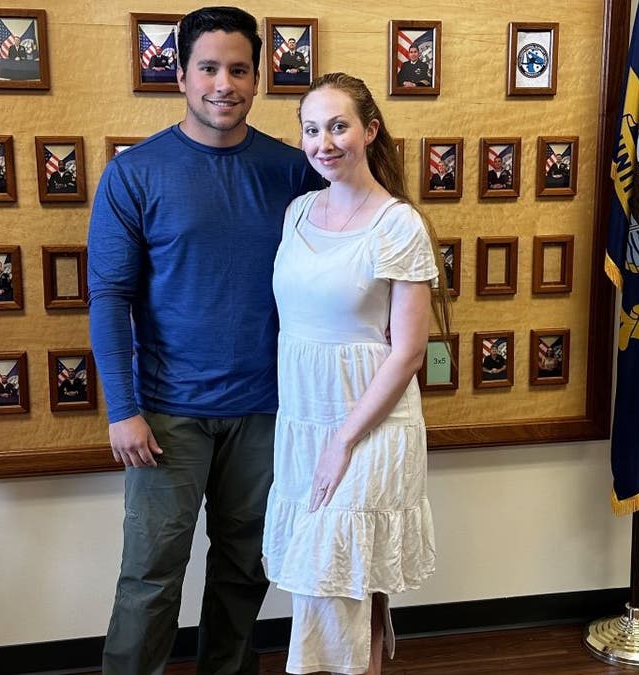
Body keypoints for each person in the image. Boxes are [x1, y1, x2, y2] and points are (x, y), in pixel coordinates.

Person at [87, 7, 324, 675]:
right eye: (209, 68)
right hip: (166, 413)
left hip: (268, 410)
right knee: (150, 574)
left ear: (259, 78)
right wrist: (121, 408)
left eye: (239, 69)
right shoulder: (136, 174)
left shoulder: (293, 172)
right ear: (181, 76)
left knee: (245, 568)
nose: (225, 83)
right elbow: (109, 297)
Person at [263, 71, 449, 675]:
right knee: (337, 580)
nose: (325, 142)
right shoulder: (295, 213)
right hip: (304, 418)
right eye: (312, 129)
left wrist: (344, 439)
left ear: (369, 130)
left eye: (338, 125)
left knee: (342, 572)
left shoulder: (398, 224)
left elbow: (409, 352)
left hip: (370, 422)